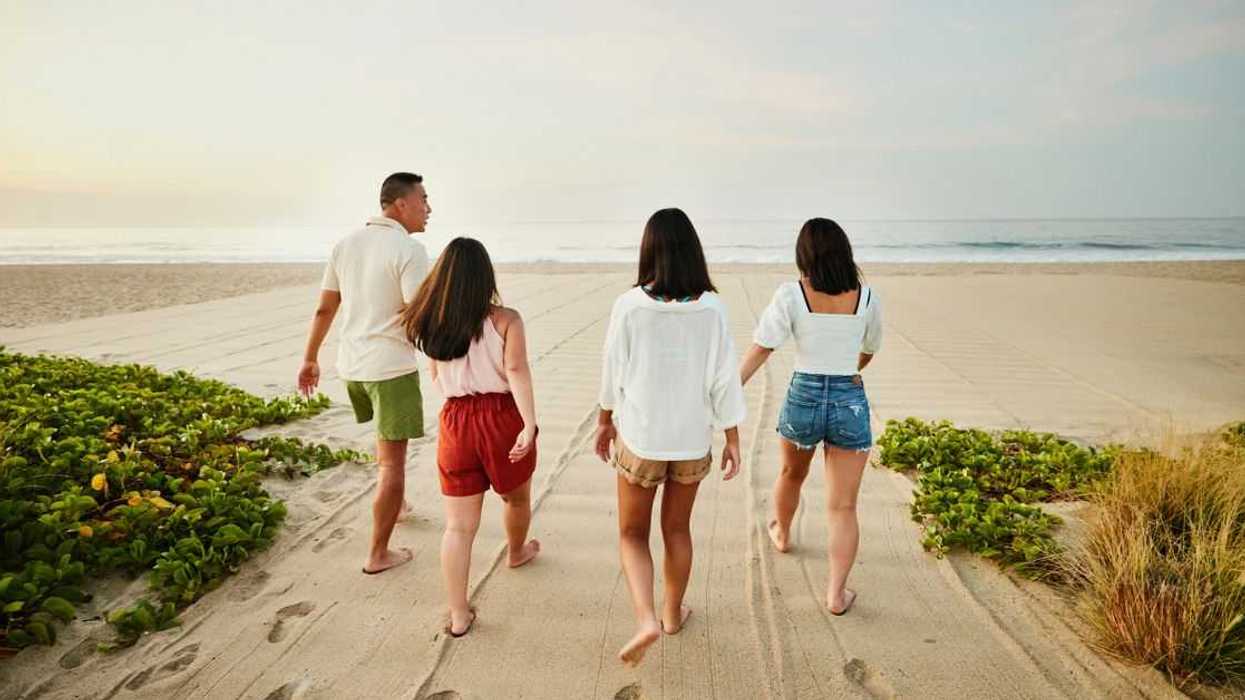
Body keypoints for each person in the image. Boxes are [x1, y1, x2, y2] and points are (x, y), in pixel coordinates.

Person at [594, 208, 746, 666]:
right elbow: (725, 381)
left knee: (631, 534)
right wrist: (733, 438)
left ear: (648, 251)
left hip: (641, 439)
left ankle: (645, 618)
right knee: (677, 530)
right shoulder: (713, 308)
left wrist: (604, 421)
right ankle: (672, 614)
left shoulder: (629, 305)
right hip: (691, 441)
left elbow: (611, 371)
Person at [738, 217, 882, 616]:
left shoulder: (791, 294)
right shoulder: (867, 298)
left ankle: (782, 534)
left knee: (792, 475)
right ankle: (836, 595)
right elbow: (870, 349)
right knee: (843, 507)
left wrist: (728, 393)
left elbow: (761, 348)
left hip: (803, 394)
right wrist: (849, 369)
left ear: (804, 255)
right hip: (848, 398)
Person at [402, 237, 540, 638]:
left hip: (456, 421)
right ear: (485, 277)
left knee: (458, 527)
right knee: (516, 496)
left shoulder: (430, 322)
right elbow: (517, 371)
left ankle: (459, 614)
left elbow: (435, 378)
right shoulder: (506, 320)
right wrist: (528, 424)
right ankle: (516, 552)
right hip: (500, 416)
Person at [297, 172, 431, 575]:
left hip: (352, 367)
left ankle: (398, 504)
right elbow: (416, 311)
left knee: (384, 448)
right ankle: (378, 553)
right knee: (393, 465)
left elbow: (325, 308)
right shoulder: (409, 248)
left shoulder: (345, 244)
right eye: (424, 199)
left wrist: (310, 358)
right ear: (400, 204)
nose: (429, 208)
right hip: (389, 369)